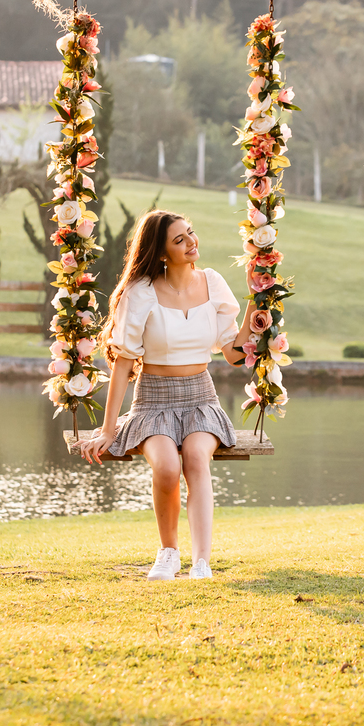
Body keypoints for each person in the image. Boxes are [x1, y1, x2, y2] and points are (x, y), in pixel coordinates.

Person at [78, 210, 257, 580]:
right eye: (179, 239)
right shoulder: (140, 293)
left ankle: (202, 561)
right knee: (166, 466)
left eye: (190, 233)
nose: (191, 242)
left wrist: (256, 304)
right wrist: (109, 430)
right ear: (160, 251)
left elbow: (232, 353)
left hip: (200, 399)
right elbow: (124, 366)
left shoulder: (212, 283)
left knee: (195, 457)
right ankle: (169, 552)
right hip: (153, 401)